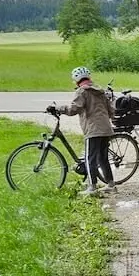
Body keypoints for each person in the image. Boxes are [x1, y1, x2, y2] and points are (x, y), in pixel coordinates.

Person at [49, 66, 117, 196]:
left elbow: (73, 109)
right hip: (106, 128)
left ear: (76, 80)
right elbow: (110, 110)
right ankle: (111, 185)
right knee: (102, 158)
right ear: (88, 78)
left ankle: (92, 187)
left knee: (90, 158)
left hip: (93, 130)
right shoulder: (100, 90)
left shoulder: (82, 92)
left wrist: (58, 108)